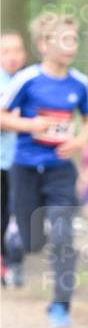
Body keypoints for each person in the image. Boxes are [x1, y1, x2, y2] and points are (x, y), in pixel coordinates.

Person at [0, 13, 88, 328]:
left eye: (74, 39)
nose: (71, 46)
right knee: (32, 243)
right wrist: (30, 124)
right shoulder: (26, 79)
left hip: (60, 170)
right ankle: (14, 246)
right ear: (44, 44)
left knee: (63, 235)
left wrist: (79, 141)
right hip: (25, 168)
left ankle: (60, 305)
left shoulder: (80, 83)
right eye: (64, 40)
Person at [0, 31, 27, 285]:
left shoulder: (29, 80)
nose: (11, 57)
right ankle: (5, 263)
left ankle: (16, 261)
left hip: (22, 160)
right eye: (5, 51)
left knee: (19, 212)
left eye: (16, 51)